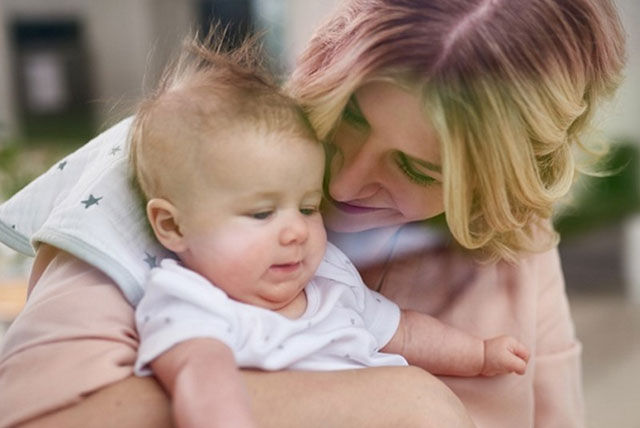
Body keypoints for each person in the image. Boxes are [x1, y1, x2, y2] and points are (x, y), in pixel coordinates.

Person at [0, 0, 625, 427]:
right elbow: (42, 417)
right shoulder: (178, 167)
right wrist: (405, 404)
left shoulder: (512, 235)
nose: (345, 179)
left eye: (418, 170)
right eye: (349, 115)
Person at [128, 38, 529, 428]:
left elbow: (404, 331)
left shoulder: (330, 278)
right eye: (262, 213)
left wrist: (478, 354)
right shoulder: (192, 301)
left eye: (308, 207)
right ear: (173, 225)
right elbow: (203, 383)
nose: (296, 232)